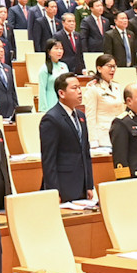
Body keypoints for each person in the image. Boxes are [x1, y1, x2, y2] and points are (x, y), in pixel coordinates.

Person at [39, 72, 98, 204]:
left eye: (79, 87)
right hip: (63, 185)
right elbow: (49, 159)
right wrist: (54, 191)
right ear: (61, 93)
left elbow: (85, 152)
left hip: (81, 185)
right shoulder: (51, 119)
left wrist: (89, 184)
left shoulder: (81, 116)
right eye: (74, 88)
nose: (79, 91)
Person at [84, 55, 126, 134]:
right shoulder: (93, 87)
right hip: (103, 134)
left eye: (114, 66)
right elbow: (90, 117)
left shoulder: (117, 86)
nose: (113, 70)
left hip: (118, 132)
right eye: (109, 66)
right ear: (99, 68)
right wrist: (93, 141)